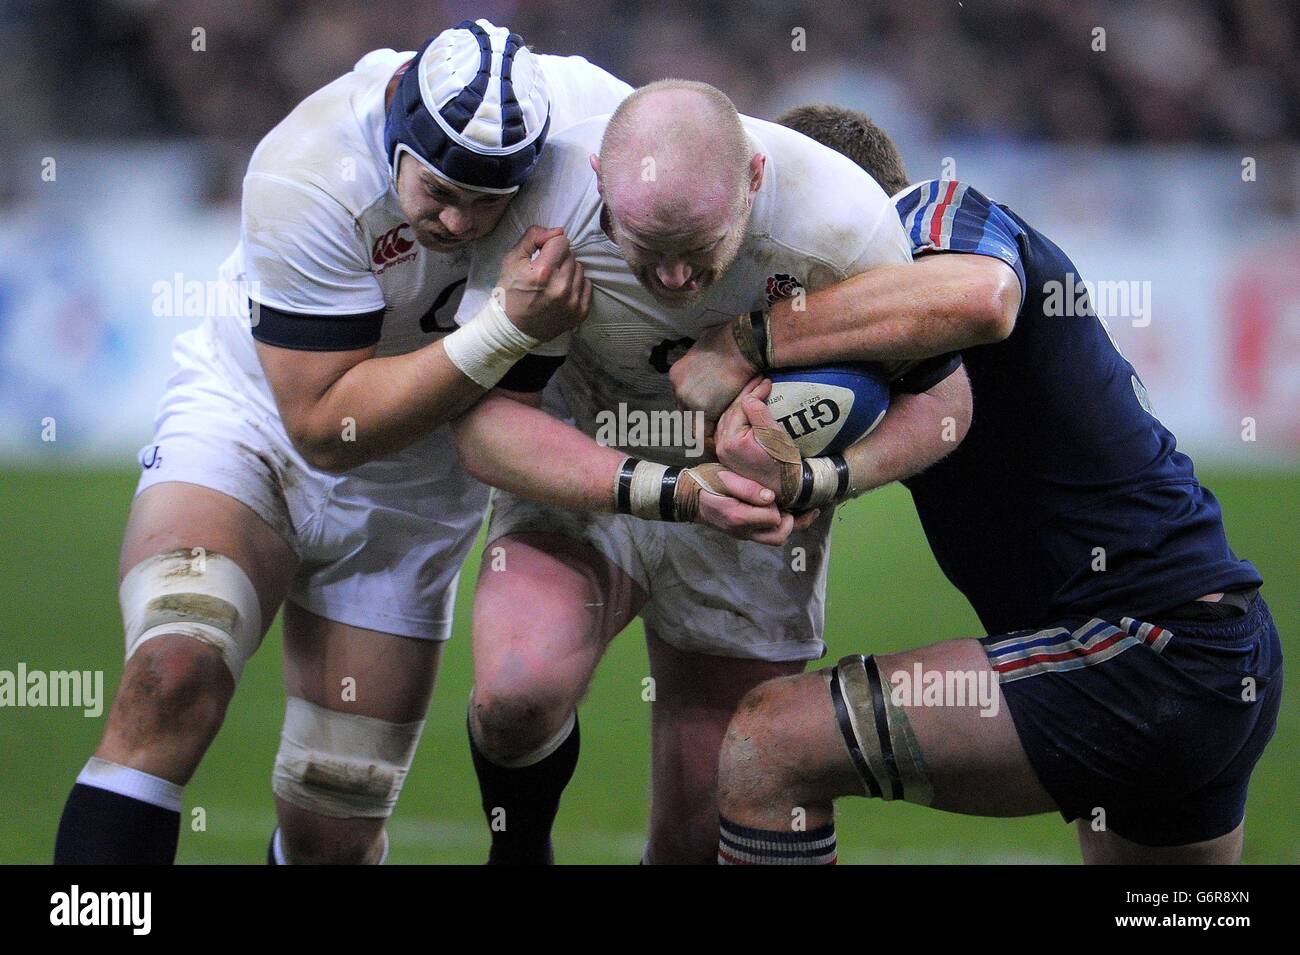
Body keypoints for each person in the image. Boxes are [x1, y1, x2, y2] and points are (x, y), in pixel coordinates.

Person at [52, 18, 649, 865]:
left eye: (487, 201)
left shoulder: (596, 127)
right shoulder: (310, 167)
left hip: (418, 487)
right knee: (172, 673)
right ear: (397, 136)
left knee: (335, 813)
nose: (458, 219)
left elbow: (717, 164)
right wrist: (508, 329)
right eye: (439, 190)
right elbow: (325, 428)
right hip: (255, 425)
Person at [690, 104, 1281, 865]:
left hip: (1141, 651)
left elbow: (983, 299)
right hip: (1202, 650)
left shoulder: (931, 213)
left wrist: (752, 338)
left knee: (769, 745)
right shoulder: (870, 327)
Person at [447, 81, 972, 863]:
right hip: (580, 453)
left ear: (755, 179)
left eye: (700, 253)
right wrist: (670, 489)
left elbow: (947, 404)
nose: (675, 283)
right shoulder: (541, 201)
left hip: (752, 504)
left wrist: (820, 481)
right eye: (648, 253)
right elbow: (483, 425)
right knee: (514, 693)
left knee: (698, 833)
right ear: (598, 180)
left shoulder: (844, 226)